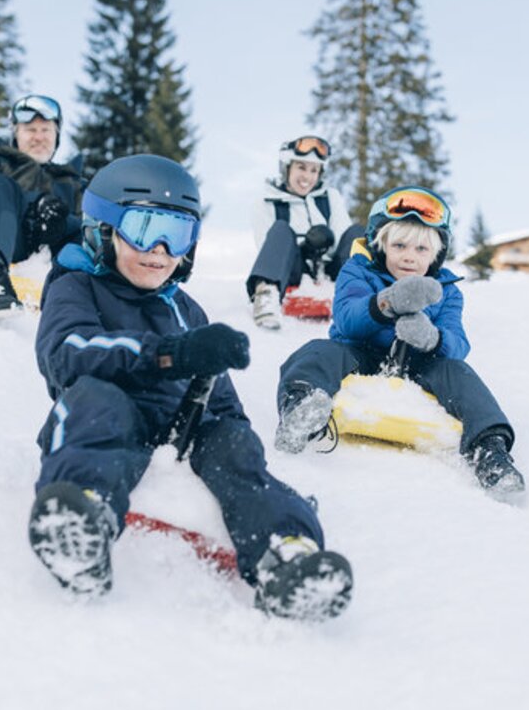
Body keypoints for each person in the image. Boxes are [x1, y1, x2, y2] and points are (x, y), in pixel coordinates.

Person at [27, 153, 353, 621]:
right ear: (103, 227)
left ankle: (287, 553)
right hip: (108, 414)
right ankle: (81, 522)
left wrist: (220, 400)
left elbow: (224, 405)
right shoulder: (76, 286)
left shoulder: (187, 307)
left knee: (236, 443)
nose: (159, 249)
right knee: (97, 402)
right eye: (143, 229)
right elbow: (67, 352)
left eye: (176, 234)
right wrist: (169, 354)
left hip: (186, 426)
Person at [273, 186, 526, 504]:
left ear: (436, 255)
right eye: (400, 245)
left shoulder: (447, 290)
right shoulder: (359, 270)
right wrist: (385, 304)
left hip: (419, 362)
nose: (410, 255)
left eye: (422, 249)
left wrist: (433, 339)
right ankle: (300, 408)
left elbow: (458, 342)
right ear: (381, 245)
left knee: (459, 373)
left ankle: (490, 450)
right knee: (316, 352)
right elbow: (347, 317)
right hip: (360, 350)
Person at [0, 94, 84, 316]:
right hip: (2, 241)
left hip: (55, 260)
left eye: (45, 130)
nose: (38, 137)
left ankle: (78, 294)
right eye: (30, 130)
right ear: (16, 134)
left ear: (56, 135)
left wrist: (58, 222)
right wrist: (33, 209)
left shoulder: (72, 182)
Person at [246, 135, 364, 330]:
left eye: (314, 170)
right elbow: (267, 247)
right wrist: (305, 247)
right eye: (301, 167)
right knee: (281, 229)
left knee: (357, 233)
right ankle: (266, 295)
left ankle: (362, 296)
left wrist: (322, 241)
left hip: (331, 272)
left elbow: (344, 238)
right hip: (292, 271)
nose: (307, 177)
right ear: (287, 167)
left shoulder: (330, 198)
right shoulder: (266, 202)